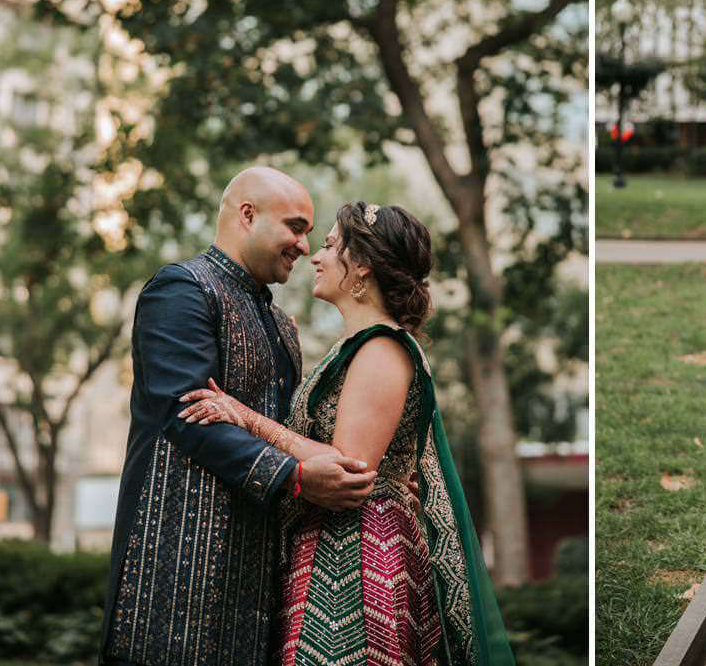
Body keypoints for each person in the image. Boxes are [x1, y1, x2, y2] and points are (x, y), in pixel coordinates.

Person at [179, 201, 516, 664]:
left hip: (359, 560)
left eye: (331, 244)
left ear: (362, 266)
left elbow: (348, 467)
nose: (315, 256)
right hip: (333, 546)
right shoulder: (359, 347)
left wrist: (243, 416)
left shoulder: (382, 349)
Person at [98, 166, 378, 666]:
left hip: (261, 571)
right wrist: (294, 477)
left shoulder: (280, 323)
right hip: (177, 560)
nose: (303, 244)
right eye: (295, 226)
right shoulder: (181, 290)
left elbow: (291, 429)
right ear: (247, 215)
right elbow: (187, 416)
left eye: (310, 232)